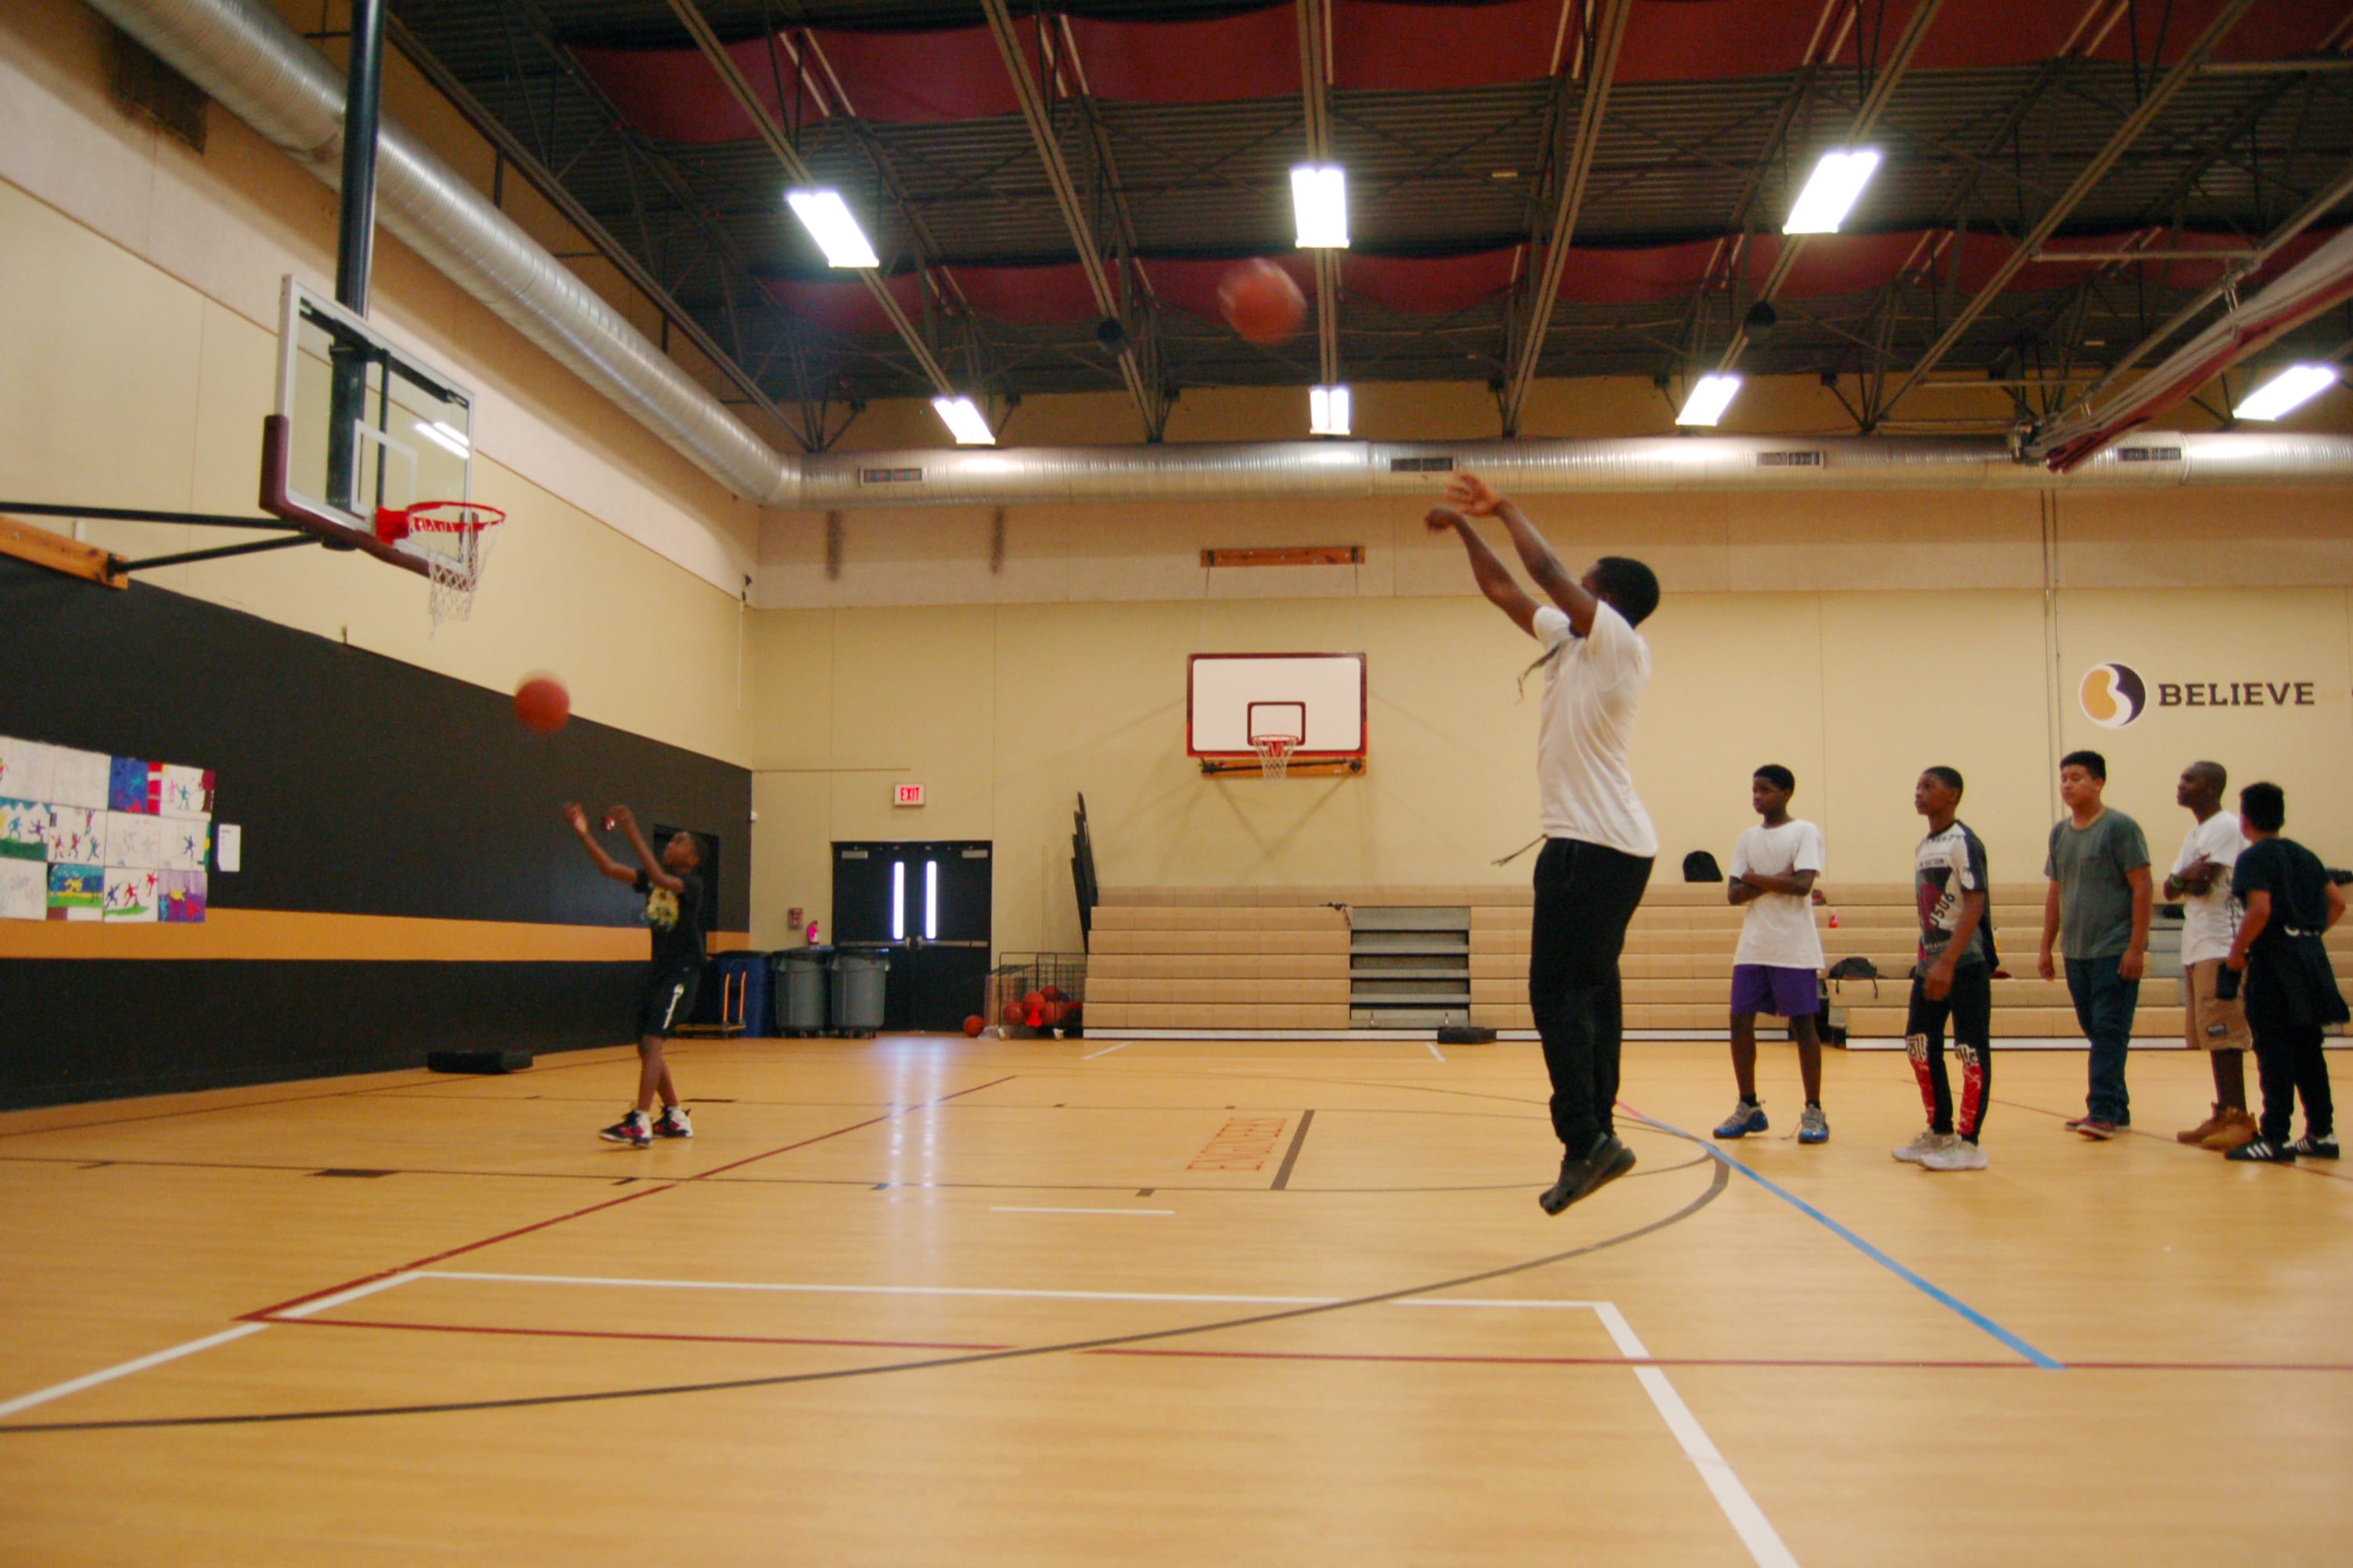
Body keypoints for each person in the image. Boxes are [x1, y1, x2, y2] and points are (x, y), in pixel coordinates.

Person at [1427, 474, 1659, 1215]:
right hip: (1606, 846)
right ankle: (1600, 1134)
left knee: (1554, 995)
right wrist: (1466, 530)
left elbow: (1543, 571)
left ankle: (1585, 1139)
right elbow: (1505, 588)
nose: (1568, 595)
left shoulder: (1621, 645)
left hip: (1590, 847)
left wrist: (1504, 508)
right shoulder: (1568, 641)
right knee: (1592, 995)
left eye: (1584, 589)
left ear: (1608, 602)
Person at [565, 802, 704, 1147]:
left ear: (694, 859)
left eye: (679, 841)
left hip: (682, 974)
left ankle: (640, 1122)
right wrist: (583, 832)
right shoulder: (654, 882)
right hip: (660, 973)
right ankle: (674, 1116)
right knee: (645, 1048)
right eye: (670, 840)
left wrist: (631, 830)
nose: (670, 844)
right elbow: (609, 868)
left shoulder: (691, 885)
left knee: (653, 1043)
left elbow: (659, 877)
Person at [2221, 783, 2347, 1164]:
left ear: (2244, 821)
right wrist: (2307, 937)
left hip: (2274, 964)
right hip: (2311, 960)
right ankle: (2322, 1133)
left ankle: (2275, 1136)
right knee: (2310, 1049)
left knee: (2274, 1049)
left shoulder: (2254, 858)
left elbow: (2259, 909)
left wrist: (2237, 952)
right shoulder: (2304, 855)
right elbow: (2337, 903)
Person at [1713, 766, 1829, 1145]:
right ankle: (1749, 1106)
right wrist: (1773, 878)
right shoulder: (1746, 839)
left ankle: (1814, 1110)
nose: (1757, 797)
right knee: (1739, 1020)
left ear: (1786, 793)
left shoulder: (1804, 832)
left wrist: (1756, 879)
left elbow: (1801, 885)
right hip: (1754, 945)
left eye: (1765, 790)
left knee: (1804, 1027)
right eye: (1754, 790)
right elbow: (1733, 895)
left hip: (1793, 947)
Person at [2039, 750, 2151, 1139]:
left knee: (2108, 1030)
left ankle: (2101, 1110)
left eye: (2077, 778)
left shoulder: (2121, 828)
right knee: (2095, 1028)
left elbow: (2142, 886)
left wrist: (2136, 948)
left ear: (2098, 783)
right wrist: (2046, 946)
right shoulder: (2060, 833)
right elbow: (2056, 890)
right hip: (2077, 951)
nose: (2068, 785)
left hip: (2113, 949)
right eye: (2064, 778)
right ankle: (2117, 1106)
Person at [1894, 767, 1997, 1172]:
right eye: (1917, 786)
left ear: (1953, 794)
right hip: (1929, 964)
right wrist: (1928, 963)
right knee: (1920, 1043)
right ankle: (1938, 1129)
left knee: (1970, 1049)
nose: (1918, 793)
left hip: (1964, 963)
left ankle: (1969, 1143)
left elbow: (1975, 902)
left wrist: (1949, 962)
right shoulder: (1925, 844)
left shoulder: (1963, 843)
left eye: (1928, 787)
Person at [2164, 761, 2255, 1150]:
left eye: (2190, 779)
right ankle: (2224, 1112)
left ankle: (2240, 1117)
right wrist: (2188, 875)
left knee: (2225, 1034)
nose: (2181, 784)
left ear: (2213, 787)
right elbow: (2170, 889)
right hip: (2199, 945)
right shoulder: (2195, 833)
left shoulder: (2226, 827)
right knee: (2211, 1037)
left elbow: (2201, 883)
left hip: (2222, 944)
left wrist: (2187, 876)